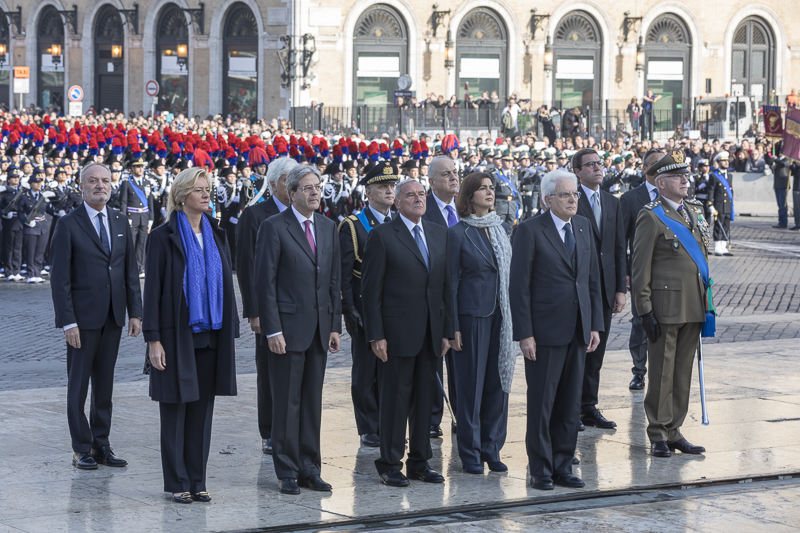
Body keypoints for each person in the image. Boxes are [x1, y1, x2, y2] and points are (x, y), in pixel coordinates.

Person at [143, 167, 239, 503]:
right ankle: (178, 482)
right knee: (175, 408)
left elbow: (227, 288)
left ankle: (198, 480)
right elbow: (152, 293)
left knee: (202, 411)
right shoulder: (162, 236)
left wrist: (231, 337)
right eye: (199, 189)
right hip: (176, 334)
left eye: (207, 188)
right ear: (183, 195)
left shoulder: (217, 232)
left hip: (212, 333)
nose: (206, 194)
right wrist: (153, 340)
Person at [510, 169, 602, 491]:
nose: (573, 199)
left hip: (578, 330)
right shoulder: (530, 230)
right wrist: (524, 333)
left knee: (570, 405)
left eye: (575, 194)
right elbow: (519, 286)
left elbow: (591, 280)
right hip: (544, 333)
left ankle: (563, 466)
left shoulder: (583, 226)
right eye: (565, 195)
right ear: (547, 199)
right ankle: (541, 470)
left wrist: (594, 325)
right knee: (542, 405)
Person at [50, 162, 143, 471]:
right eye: (93, 181)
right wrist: (68, 322)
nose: (100, 185)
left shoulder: (119, 220)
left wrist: (135, 312)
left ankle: (101, 444)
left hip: (113, 317)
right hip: (82, 320)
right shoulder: (68, 224)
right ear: (82, 187)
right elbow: (60, 279)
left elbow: (130, 271)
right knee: (78, 387)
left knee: (104, 385)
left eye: (105, 180)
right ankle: (81, 448)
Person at [255, 165, 342, 495]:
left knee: (311, 403)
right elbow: (265, 283)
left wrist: (334, 326)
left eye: (317, 186)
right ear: (291, 194)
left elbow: (333, 282)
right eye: (307, 188)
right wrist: (272, 330)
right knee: (286, 403)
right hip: (287, 332)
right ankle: (287, 470)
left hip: (319, 330)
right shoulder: (274, 227)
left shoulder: (328, 227)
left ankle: (310, 468)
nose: (315, 192)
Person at [361, 178, 454, 488]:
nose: (418, 199)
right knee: (395, 401)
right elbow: (370, 291)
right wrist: (376, 334)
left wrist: (447, 330)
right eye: (410, 195)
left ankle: (419, 462)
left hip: (431, 334)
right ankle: (389, 464)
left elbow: (446, 287)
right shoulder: (382, 235)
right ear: (397, 202)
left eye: (421, 194)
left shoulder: (439, 234)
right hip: (396, 334)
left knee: (425, 400)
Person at [631, 149, 710, 458]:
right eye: (677, 177)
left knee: (682, 372)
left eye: (685, 176)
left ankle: (675, 430)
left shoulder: (695, 209)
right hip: (665, 307)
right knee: (662, 372)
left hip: (693, 303)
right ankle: (658, 432)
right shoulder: (651, 215)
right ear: (660, 183)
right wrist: (644, 309)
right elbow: (640, 268)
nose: (685, 181)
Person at [448, 172, 513, 474]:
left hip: (502, 316)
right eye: (483, 188)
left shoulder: (501, 228)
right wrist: (452, 327)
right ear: (469, 195)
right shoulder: (458, 232)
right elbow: (450, 283)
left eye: (491, 188)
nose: (490, 193)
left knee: (497, 384)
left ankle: (492, 447)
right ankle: (471, 453)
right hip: (471, 317)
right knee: (470, 387)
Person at [235, 157, 297, 455]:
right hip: (269, 307)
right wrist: (254, 310)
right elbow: (247, 265)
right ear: (273, 184)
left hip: (299, 306)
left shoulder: (304, 212)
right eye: (288, 179)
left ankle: (294, 426)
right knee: (270, 370)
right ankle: (270, 430)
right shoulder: (255, 214)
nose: (294, 184)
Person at [338, 162, 397, 448]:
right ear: (368, 192)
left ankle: (387, 422)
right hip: (364, 308)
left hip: (394, 308)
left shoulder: (398, 221)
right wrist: (348, 310)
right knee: (366, 370)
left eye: (392, 186)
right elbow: (343, 274)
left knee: (390, 369)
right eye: (383, 186)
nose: (389, 191)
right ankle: (368, 426)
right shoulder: (353, 225)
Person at [573, 149, 627, 429]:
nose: (597, 168)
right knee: (577, 351)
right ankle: (571, 409)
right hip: (579, 288)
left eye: (600, 163)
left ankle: (588, 406)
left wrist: (620, 288)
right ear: (577, 172)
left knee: (597, 353)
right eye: (590, 164)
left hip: (605, 290)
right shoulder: (570, 199)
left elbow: (619, 247)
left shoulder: (611, 202)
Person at [619, 148, 665, 390]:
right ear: (644, 168)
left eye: (663, 162)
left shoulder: (674, 195)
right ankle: (639, 371)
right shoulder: (630, 198)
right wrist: (625, 273)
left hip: (668, 272)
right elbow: (621, 241)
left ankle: (663, 369)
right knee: (640, 321)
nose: (660, 166)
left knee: (667, 320)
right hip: (641, 272)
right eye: (654, 163)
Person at [421, 155, 460, 437]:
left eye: (455, 172)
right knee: (433, 360)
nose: (453, 177)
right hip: (433, 296)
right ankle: (432, 419)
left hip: (463, 296)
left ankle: (461, 415)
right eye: (446, 174)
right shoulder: (422, 209)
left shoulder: (466, 207)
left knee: (461, 360)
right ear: (432, 182)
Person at [120, 159, 153, 277]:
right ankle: (130, 268)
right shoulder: (127, 183)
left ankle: (141, 267)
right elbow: (123, 202)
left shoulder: (147, 182)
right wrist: (125, 217)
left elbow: (150, 202)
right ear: (132, 169)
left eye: (142, 166)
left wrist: (151, 218)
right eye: (138, 167)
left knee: (142, 243)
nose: (140, 169)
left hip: (144, 217)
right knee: (131, 243)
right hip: (132, 217)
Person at [18, 170, 53, 283]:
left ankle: (37, 273)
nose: (38, 184)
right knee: (30, 252)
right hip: (31, 226)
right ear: (30, 184)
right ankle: (30, 274)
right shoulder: (24, 197)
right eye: (36, 182)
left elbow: (48, 210)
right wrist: (26, 221)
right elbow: (20, 212)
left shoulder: (43, 196)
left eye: (40, 182)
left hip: (43, 226)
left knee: (40, 252)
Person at [0, 168, 25, 281]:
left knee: (18, 248)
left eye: (17, 177)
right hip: (9, 222)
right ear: (8, 180)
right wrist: (3, 214)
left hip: (19, 221)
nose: (16, 179)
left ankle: (16, 270)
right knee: (8, 247)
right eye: (13, 178)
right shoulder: (4, 193)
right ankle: (8, 271)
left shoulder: (22, 191)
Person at [708, 151, 734, 256]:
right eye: (724, 161)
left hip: (727, 205)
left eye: (727, 161)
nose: (727, 162)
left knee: (726, 226)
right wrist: (710, 205)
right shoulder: (714, 176)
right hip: (719, 205)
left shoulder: (730, 176)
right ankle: (717, 247)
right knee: (718, 226)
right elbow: (711, 191)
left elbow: (731, 191)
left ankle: (724, 247)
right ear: (719, 162)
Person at [492, 150, 521, 233]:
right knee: (500, 229)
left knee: (510, 230)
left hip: (512, 206)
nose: (510, 163)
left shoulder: (515, 174)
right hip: (500, 205)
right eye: (507, 160)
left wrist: (520, 206)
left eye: (511, 160)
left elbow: (517, 191)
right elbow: (492, 192)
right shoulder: (496, 174)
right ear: (502, 161)